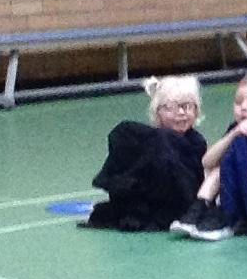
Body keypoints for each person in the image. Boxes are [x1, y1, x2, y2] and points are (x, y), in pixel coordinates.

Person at [169, 72, 247, 241]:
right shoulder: (237, 129)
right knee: (218, 168)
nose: (244, 107)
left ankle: (228, 217)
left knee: (242, 160)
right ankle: (198, 208)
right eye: (238, 102)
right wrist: (234, 133)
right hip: (242, 193)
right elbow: (207, 161)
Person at [82, 75, 206, 232]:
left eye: (188, 106)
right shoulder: (147, 142)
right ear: (157, 112)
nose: (181, 112)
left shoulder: (197, 143)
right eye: (171, 107)